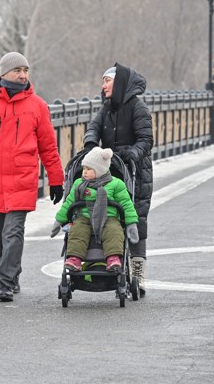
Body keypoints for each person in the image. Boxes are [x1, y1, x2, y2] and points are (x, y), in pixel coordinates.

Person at [0, 51, 64, 302]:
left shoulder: (37, 105)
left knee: (13, 232)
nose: (22, 75)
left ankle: (5, 282)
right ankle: (12, 271)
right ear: (4, 73)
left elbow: (48, 147)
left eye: (25, 70)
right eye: (17, 70)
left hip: (21, 179)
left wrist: (56, 179)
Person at [83, 63, 154, 294]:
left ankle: (138, 270)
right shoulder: (106, 108)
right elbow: (93, 128)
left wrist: (132, 153)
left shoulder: (137, 107)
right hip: (109, 167)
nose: (103, 86)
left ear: (119, 83)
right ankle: (115, 265)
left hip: (136, 170)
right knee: (110, 214)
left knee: (135, 217)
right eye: (103, 81)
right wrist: (91, 144)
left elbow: (146, 139)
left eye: (107, 81)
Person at [51, 147, 139, 272]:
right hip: (84, 217)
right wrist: (59, 220)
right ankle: (74, 258)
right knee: (77, 230)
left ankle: (113, 258)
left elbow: (127, 205)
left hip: (109, 217)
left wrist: (131, 224)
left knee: (114, 230)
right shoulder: (79, 184)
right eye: (84, 168)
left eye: (89, 169)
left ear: (100, 170)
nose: (84, 172)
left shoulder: (116, 184)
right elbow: (68, 203)